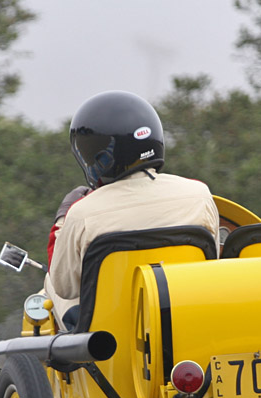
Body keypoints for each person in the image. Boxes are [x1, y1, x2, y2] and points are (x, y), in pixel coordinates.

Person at [44, 91, 219, 328]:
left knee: (50, 281)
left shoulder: (82, 212)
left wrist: (63, 218)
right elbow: (213, 263)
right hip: (189, 324)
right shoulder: (199, 194)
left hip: (113, 343)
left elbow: (64, 285)